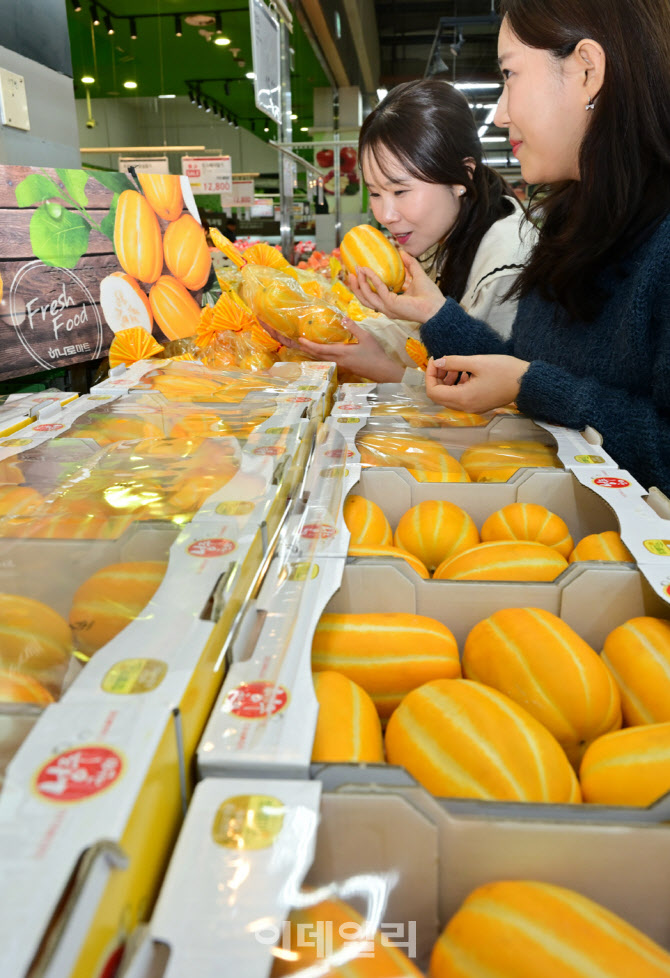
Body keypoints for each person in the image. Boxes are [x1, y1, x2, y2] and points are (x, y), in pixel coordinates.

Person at [410, 0, 670, 496]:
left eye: (510, 74)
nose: (502, 112)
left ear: (587, 70)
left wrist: (531, 386)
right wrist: (434, 314)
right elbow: (529, 366)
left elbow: (543, 383)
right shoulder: (572, 220)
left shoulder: (659, 244)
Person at [296, 79, 535, 382]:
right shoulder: (448, 234)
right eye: (376, 193)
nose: (385, 215)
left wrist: (387, 371)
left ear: (463, 175)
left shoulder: (505, 265)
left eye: (399, 191)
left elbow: (502, 396)